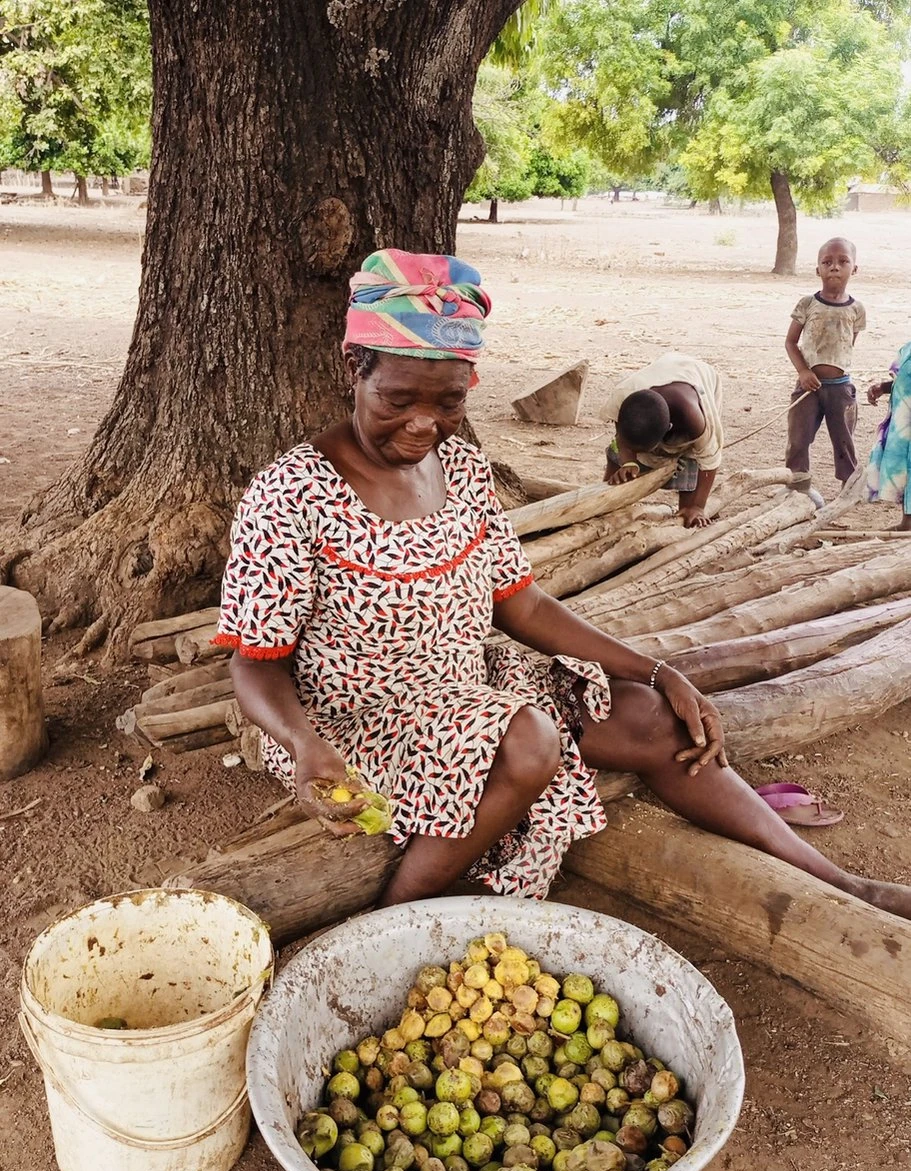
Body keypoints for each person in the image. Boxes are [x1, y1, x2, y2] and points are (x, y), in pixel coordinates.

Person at [215, 248, 911, 920]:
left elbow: (519, 602)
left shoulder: (457, 468)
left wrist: (660, 669)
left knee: (652, 718)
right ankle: (394, 920)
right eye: (397, 398)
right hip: (351, 724)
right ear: (353, 368)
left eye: (448, 402)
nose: (423, 424)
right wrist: (306, 745)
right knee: (529, 742)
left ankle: (844, 884)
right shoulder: (293, 494)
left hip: (465, 686)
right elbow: (256, 665)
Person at [599, 353, 723, 528]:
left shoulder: (695, 420)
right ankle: (606, 503)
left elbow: (709, 460)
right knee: (617, 457)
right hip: (663, 375)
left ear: (668, 429)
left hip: (697, 377)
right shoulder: (623, 397)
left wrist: (698, 506)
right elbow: (622, 437)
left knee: (689, 468)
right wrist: (628, 462)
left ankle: (688, 509)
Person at [784, 237, 865, 494]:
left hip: (840, 390)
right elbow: (790, 342)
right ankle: (797, 488)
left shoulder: (857, 309)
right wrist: (804, 371)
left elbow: (847, 345)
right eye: (827, 262)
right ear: (817, 269)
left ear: (854, 269)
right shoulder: (808, 304)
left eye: (843, 261)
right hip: (808, 388)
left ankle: (847, 489)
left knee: (844, 441)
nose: (834, 267)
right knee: (798, 440)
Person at [866, 343, 911, 531]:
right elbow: (904, 380)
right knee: (905, 467)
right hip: (904, 421)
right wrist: (883, 388)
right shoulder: (907, 349)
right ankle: (907, 522)